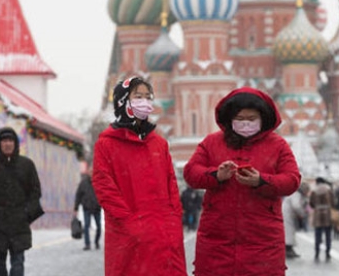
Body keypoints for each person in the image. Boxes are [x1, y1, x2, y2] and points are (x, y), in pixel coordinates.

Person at [184, 87, 301, 276]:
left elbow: (292, 180)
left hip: (263, 240)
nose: (245, 123)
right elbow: (191, 173)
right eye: (240, 119)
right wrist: (216, 175)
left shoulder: (277, 145)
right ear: (230, 119)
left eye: (251, 118)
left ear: (263, 119)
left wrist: (261, 181)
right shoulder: (212, 142)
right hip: (217, 239)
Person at [92, 76, 186, 276]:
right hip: (129, 235)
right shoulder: (107, 144)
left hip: (164, 235)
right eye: (138, 97)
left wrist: (174, 220)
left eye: (147, 97)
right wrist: (130, 223)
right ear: (123, 101)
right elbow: (104, 186)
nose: (144, 102)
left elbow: (171, 184)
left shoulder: (159, 144)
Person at [0, 127, 44, 276]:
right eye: (4, 140)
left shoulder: (26, 165)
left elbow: (35, 192)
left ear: (16, 143)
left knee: (18, 264)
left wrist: (27, 213)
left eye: (10, 140)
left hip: (19, 224)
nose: (7, 144)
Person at [74, 167, 102, 251]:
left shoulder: (99, 182)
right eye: (90, 172)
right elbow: (78, 195)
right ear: (88, 172)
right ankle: (87, 244)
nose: (91, 173)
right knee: (86, 226)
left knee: (99, 226)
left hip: (97, 208)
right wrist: (76, 208)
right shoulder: (83, 183)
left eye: (93, 172)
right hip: (87, 208)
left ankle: (96, 242)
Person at [309, 177, 335, 261]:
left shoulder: (314, 190)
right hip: (327, 214)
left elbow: (311, 203)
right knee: (328, 235)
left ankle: (317, 252)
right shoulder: (329, 190)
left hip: (318, 215)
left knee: (317, 235)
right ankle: (328, 252)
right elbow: (334, 202)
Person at [283, 182, 309, 259]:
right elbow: (296, 206)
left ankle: (289, 248)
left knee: (290, 232)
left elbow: (306, 205)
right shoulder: (296, 195)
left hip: (290, 215)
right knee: (289, 232)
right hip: (288, 215)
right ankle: (288, 248)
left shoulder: (300, 195)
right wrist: (302, 213)